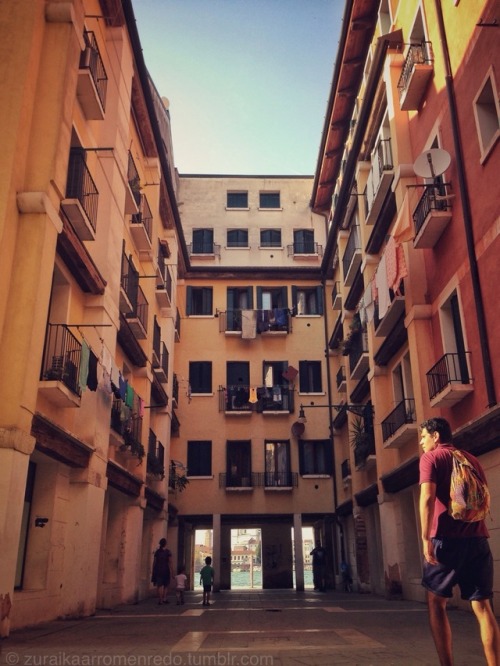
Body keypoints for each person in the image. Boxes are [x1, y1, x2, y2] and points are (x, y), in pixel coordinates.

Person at [419, 417, 499, 666]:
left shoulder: (431, 458)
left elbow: (427, 499)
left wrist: (424, 538)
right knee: (483, 606)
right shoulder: (471, 459)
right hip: (477, 538)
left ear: (435, 436)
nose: (421, 442)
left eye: (423, 437)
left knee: (436, 602)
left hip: (445, 540)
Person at [151, 538, 172, 605]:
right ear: (165, 544)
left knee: (159, 585)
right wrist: (172, 571)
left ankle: (160, 600)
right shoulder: (168, 552)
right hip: (165, 569)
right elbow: (170, 562)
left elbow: (154, 562)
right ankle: (164, 598)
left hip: (158, 569)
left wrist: (153, 570)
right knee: (166, 585)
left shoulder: (157, 552)